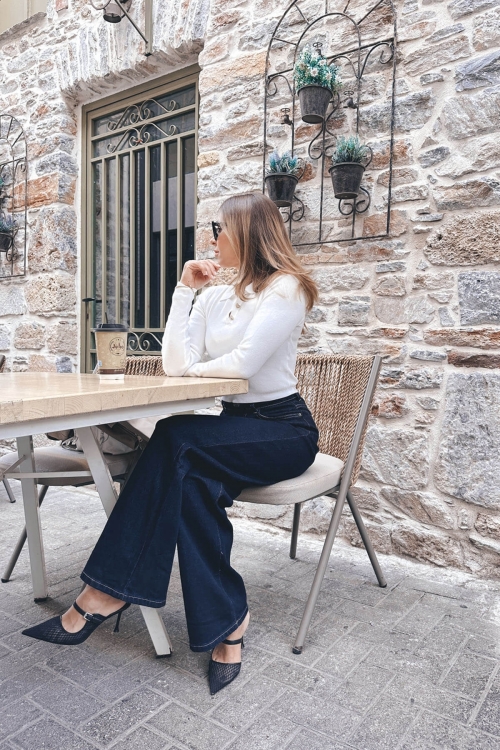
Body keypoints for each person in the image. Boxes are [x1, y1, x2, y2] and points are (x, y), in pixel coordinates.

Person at [23, 192, 320, 695]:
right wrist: (185, 291)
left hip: (282, 430)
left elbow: (244, 366)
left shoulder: (286, 289)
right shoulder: (215, 296)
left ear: (246, 232)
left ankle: (103, 594)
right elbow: (175, 365)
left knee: (177, 437)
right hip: (231, 429)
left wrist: (205, 373)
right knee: (190, 482)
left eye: (218, 227)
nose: (212, 237)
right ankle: (229, 625)